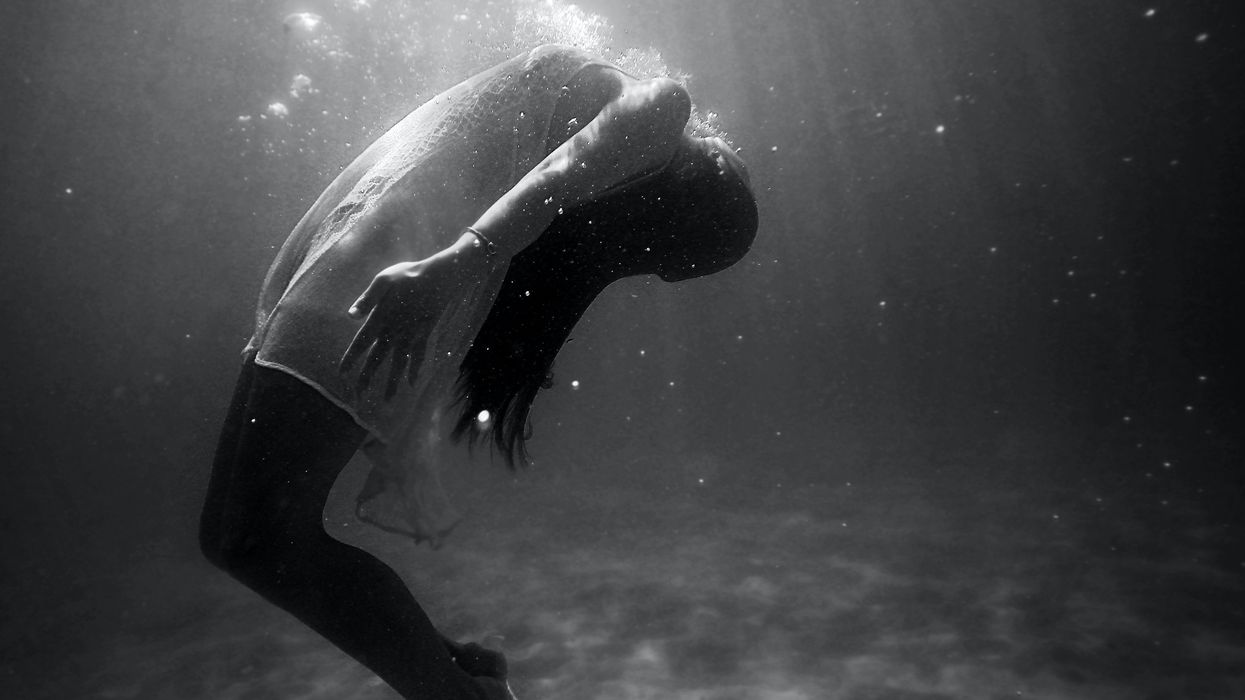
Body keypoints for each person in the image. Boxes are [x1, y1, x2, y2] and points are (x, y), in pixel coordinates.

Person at [199, 44, 757, 699]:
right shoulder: (644, 114)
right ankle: (462, 679)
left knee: (253, 537)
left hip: (392, 266)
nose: (732, 157)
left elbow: (550, 180)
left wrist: (445, 268)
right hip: (383, 256)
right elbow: (545, 180)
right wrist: (445, 267)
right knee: (235, 536)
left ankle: (455, 689)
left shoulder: (650, 116)